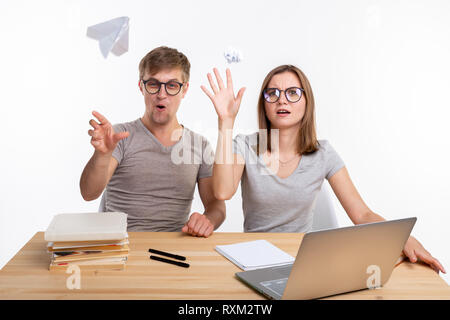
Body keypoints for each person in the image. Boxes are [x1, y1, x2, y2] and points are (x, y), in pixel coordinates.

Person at [201, 65, 446, 274]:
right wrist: (226, 122)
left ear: (307, 102)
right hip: (253, 260)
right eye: (272, 94)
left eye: (292, 93)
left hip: (303, 263)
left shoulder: (323, 153)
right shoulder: (244, 145)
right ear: (264, 105)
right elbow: (222, 192)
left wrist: (403, 237)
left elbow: (362, 214)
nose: (282, 100)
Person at [80, 46, 225, 238]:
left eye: (172, 85)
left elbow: (216, 206)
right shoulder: (119, 136)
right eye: (153, 84)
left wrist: (208, 220)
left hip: (174, 250)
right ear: (141, 86)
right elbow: (89, 193)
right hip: (120, 246)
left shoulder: (199, 145)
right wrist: (102, 155)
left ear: (185, 90)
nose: (161, 94)